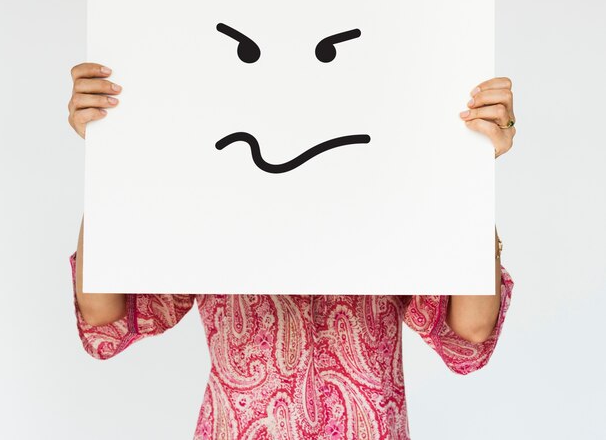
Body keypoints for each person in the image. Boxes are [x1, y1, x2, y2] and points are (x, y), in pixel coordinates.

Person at [67, 62, 516, 440]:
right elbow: (104, 315)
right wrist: (109, 155)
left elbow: (469, 332)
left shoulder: (388, 192)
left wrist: (471, 164)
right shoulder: (212, 194)